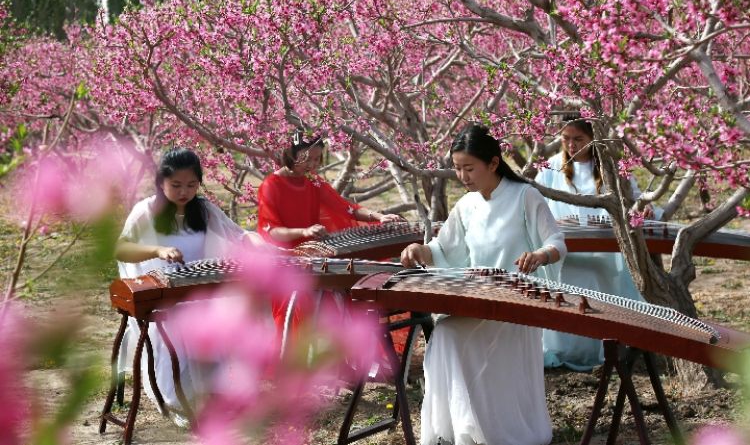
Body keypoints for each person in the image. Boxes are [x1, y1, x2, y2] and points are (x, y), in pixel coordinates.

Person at [400, 125, 566, 445]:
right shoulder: (468, 205)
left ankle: (496, 429)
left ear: (492, 163)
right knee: (446, 334)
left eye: (469, 168)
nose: (462, 176)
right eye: (457, 168)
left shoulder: (524, 195)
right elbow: (444, 249)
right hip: (479, 298)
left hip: (517, 303)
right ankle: (466, 427)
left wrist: (540, 255)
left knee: (450, 334)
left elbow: (556, 242)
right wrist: (421, 250)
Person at [116, 148, 259, 424]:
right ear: (161, 183)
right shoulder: (145, 211)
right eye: (176, 185)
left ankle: (213, 393)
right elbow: (122, 250)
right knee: (176, 329)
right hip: (162, 296)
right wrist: (157, 250)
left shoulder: (203, 210)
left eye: (192, 185)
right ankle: (179, 401)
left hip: (199, 293)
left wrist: (264, 246)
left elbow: (240, 236)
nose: (184, 192)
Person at [535, 115, 654, 371]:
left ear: (593, 139)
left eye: (579, 139)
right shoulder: (551, 167)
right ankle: (565, 347)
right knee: (567, 278)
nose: (572, 145)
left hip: (605, 251)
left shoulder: (610, 167)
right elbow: (535, 204)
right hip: (565, 248)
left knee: (598, 277)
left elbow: (635, 200)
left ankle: (603, 346)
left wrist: (645, 208)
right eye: (566, 139)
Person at [257, 131, 404, 335]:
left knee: (338, 300)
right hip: (288, 262)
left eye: (317, 159)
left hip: (317, 256)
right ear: (290, 154)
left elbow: (345, 207)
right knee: (297, 318)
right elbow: (272, 231)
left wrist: (378, 216)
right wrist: (304, 231)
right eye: (307, 159)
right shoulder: (271, 185)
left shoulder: (313, 181)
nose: (312, 165)